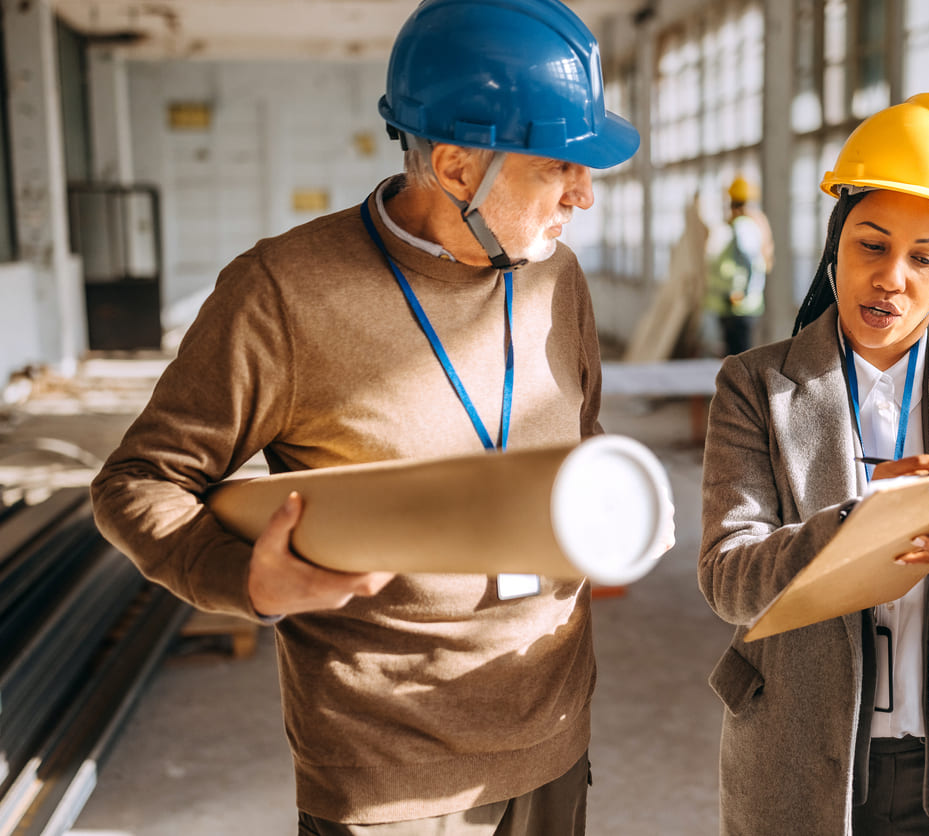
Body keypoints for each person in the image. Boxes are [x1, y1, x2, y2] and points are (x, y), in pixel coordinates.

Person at [91, 1, 667, 833]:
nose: (583, 194)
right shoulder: (282, 294)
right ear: (459, 166)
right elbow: (139, 481)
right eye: (556, 165)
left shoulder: (555, 276)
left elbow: (581, 441)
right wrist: (245, 579)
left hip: (553, 736)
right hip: (386, 774)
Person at [697, 93, 929, 835]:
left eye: (924, 258)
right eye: (871, 245)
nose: (892, 278)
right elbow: (726, 582)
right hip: (799, 754)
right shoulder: (753, 386)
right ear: (835, 240)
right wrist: (857, 522)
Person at [705, 175, 773, 355]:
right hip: (739, 304)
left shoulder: (742, 226)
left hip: (737, 304)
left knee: (737, 356)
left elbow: (750, 261)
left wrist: (743, 293)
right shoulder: (751, 225)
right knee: (739, 355)